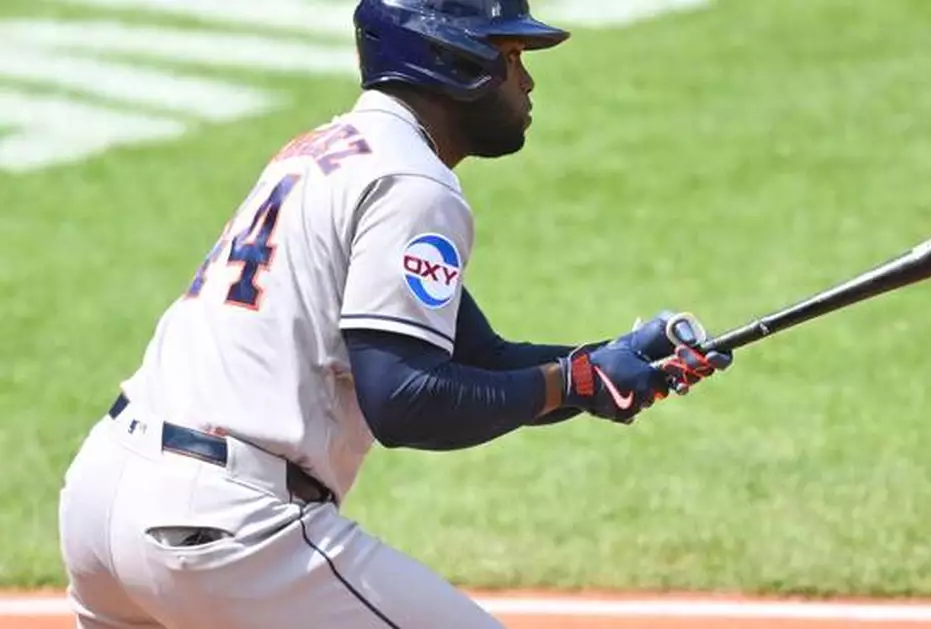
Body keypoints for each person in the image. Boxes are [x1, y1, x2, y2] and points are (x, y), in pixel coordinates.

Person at [56, 1, 734, 627]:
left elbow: (477, 357)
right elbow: (406, 400)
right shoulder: (415, 182)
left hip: (105, 496)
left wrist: (601, 363)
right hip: (222, 528)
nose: (525, 83)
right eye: (511, 56)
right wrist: (573, 383)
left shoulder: (329, 150)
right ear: (454, 61)